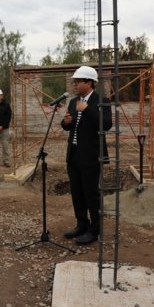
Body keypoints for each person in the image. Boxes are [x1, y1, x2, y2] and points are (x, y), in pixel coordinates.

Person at [60, 66, 112, 246]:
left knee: (91, 194)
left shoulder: (101, 101)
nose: (75, 84)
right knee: (77, 192)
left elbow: (106, 124)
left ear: (89, 83)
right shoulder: (74, 101)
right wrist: (65, 122)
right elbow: (69, 126)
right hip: (73, 154)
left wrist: (87, 109)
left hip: (91, 156)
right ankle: (82, 224)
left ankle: (95, 230)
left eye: (78, 81)